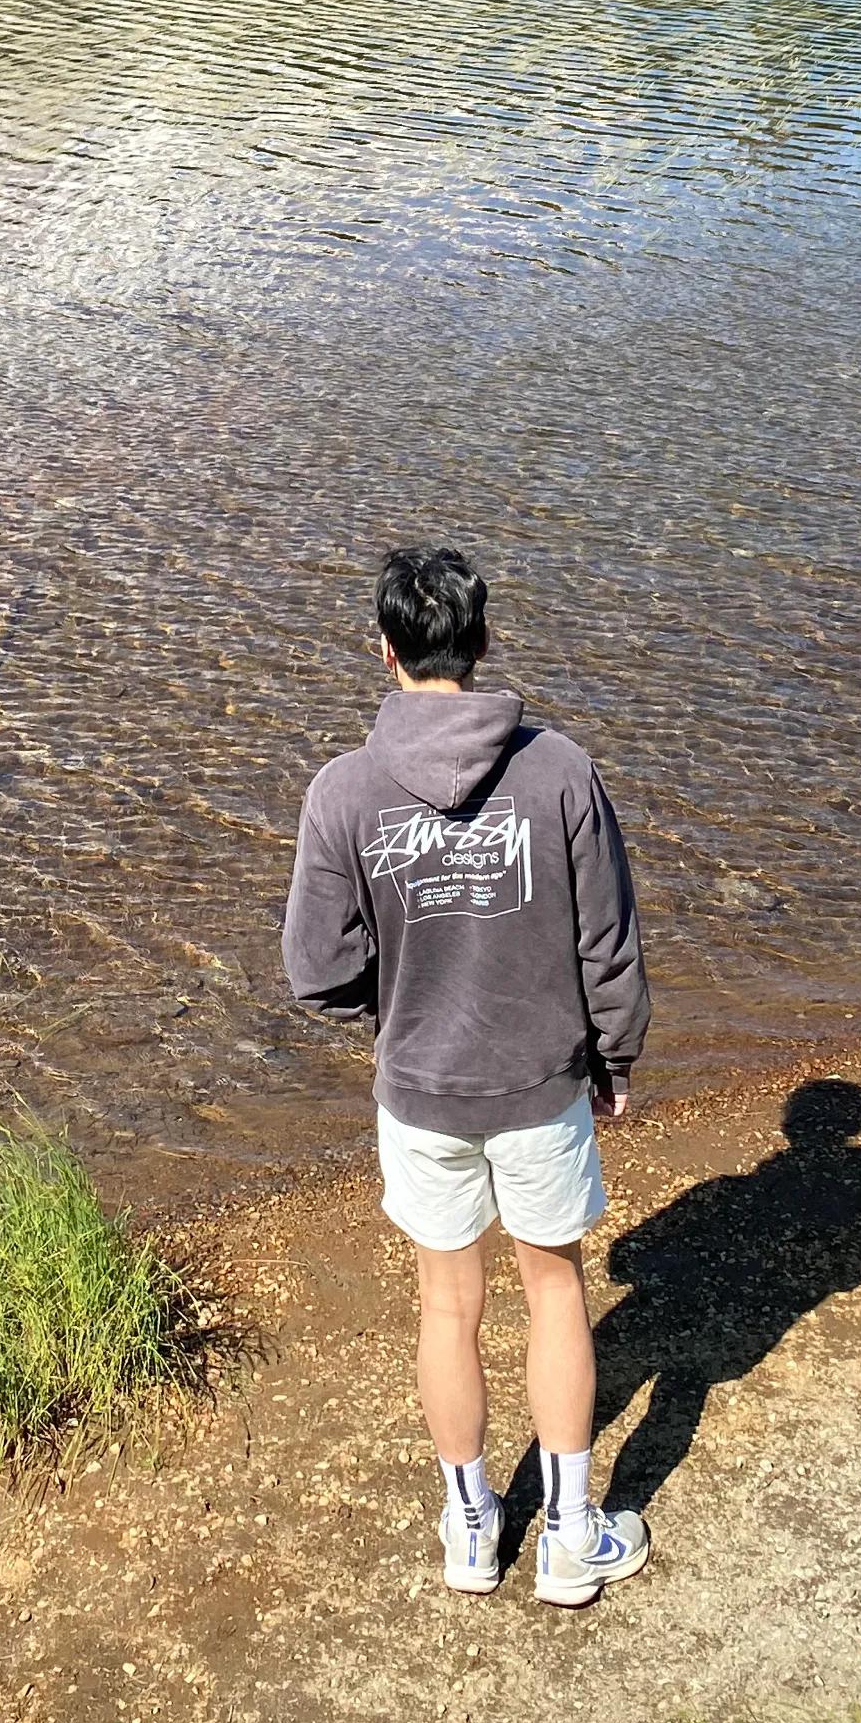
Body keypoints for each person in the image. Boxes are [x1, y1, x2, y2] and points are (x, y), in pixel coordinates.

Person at [281, 545, 651, 1605]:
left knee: (448, 1304)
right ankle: (572, 1536)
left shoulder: (343, 792)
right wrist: (615, 1056)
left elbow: (316, 970)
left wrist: (391, 1013)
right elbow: (606, 943)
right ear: (483, 644)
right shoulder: (559, 770)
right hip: (542, 1082)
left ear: (384, 650)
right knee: (555, 1288)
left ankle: (472, 1524)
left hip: (420, 1090)